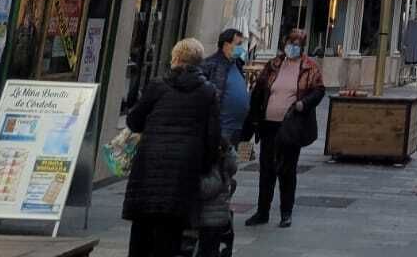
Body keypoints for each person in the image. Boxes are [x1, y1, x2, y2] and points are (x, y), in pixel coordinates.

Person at [122, 37, 221, 257]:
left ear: (175, 58)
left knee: (141, 233)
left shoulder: (157, 86)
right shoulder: (207, 92)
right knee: (169, 237)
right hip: (182, 173)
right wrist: (203, 167)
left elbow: (134, 121)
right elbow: (212, 138)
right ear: (199, 63)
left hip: (149, 168)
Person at [243, 28, 325, 229]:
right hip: (268, 125)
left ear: (302, 47)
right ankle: (262, 211)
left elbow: (319, 91)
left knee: (287, 170)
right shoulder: (274, 65)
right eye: (290, 42)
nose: (292, 47)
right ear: (284, 43)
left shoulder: (309, 67)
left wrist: (303, 104)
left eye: (297, 44)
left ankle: (286, 212)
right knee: (266, 169)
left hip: (290, 126)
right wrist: (253, 119)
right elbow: (260, 90)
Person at [197, 29, 250, 257]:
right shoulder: (211, 65)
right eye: (238, 44)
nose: (241, 48)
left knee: (228, 173)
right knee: (216, 174)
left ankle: (220, 211)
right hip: (220, 130)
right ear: (225, 44)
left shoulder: (236, 65)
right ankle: (212, 216)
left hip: (234, 130)